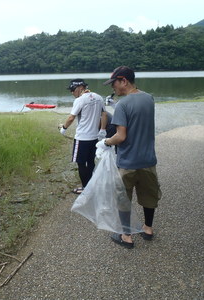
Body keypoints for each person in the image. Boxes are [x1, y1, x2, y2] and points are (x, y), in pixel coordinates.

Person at [97, 66, 162, 249]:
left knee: (123, 198)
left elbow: (121, 136)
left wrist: (106, 142)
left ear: (123, 80)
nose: (113, 88)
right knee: (149, 196)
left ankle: (126, 236)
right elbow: (138, 117)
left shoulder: (123, 105)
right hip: (148, 160)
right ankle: (148, 229)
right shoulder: (149, 98)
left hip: (127, 162)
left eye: (114, 83)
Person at [59, 79, 107, 194]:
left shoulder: (80, 100)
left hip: (82, 138)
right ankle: (90, 185)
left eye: (72, 89)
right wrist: (102, 130)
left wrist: (63, 128)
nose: (72, 92)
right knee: (90, 162)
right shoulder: (98, 97)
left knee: (80, 163)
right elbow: (104, 114)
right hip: (94, 137)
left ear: (80, 87)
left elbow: (71, 117)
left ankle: (85, 189)